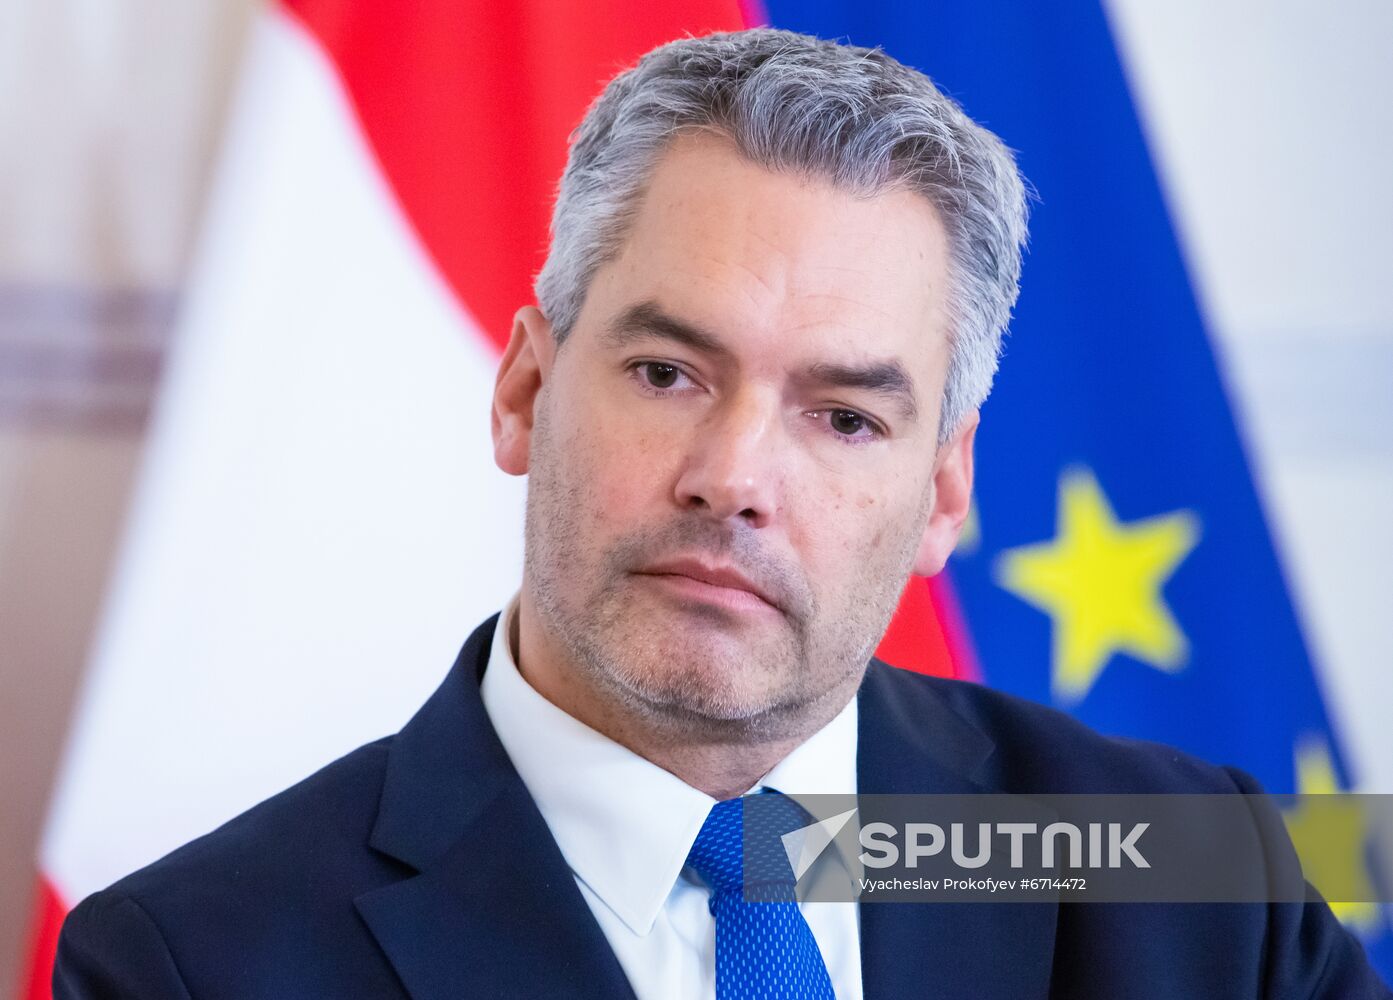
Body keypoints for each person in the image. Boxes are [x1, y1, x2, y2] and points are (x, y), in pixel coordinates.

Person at [54, 27, 1387, 999]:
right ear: (523, 390)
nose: (733, 475)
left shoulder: (1194, 883)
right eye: (667, 373)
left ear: (940, 495)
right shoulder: (195, 963)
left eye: (844, 416)